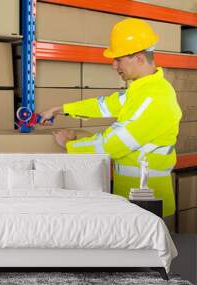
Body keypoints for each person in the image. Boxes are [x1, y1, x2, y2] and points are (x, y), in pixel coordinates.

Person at [39, 18, 182, 218]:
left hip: (148, 201)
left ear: (139, 58)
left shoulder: (155, 98)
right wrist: (60, 109)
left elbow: (114, 143)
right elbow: (105, 104)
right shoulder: (141, 90)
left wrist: (71, 145)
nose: (114, 65)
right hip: (133, 197)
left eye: (119, 59)